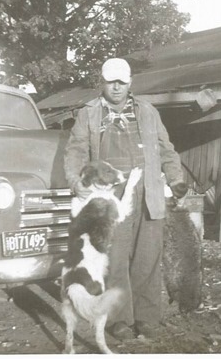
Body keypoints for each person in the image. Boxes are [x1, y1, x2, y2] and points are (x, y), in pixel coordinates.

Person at [64, 58, 188, 340]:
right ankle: (118, 319)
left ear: (130, 82)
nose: (116, 87)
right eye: (111, 81)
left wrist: (176, 179)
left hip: (149, 193)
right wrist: (76, 182)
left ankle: (147, 317)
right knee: (116, 260)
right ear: (102, 82)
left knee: (147, 258)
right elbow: (75, 151)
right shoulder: (90, 114)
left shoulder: (148, 111)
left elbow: (166, 149)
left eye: (122, 81)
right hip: (111, 199)